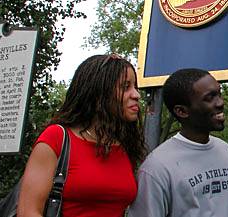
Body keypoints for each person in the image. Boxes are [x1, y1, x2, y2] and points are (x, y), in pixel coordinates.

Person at [17, 54, 146, 217]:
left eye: (135, 87)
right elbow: (28, 211)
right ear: (99, 93)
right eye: (125, 87)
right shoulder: (56, 138)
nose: (136, 95)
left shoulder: (125, 146)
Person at [128, 68, 228, 217]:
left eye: (219, 94)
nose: (220, 103)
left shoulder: (224, 149)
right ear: (182, 111)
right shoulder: (156, 168)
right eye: (209, 98)